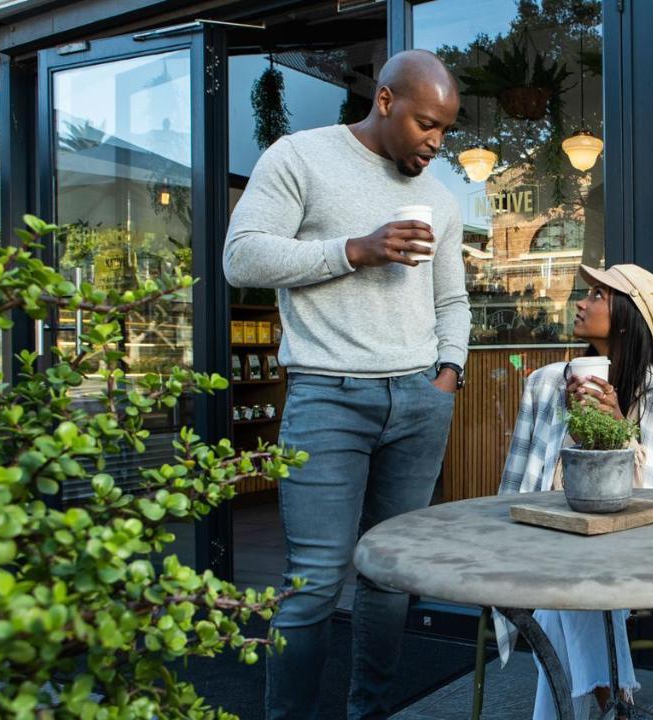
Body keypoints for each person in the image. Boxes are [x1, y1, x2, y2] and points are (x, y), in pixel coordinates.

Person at [223, 50, 470, 720]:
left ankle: (372, 711)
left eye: (446, 130)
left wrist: (448, 373)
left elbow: (452, 300)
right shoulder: (300, 157)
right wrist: (354, 250)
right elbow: (241, 256)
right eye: (426, 123)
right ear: (385, 101)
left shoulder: (441, 197)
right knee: (313, 582)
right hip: (327, 396)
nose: (435, 141)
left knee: (389, 575)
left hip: (419, 400)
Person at [497, 264, 653, 720]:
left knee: (573, 593)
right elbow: (518, 483)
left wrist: (617, 430)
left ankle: (601, 706)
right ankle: (613, 704)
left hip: (640, 561)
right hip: (547, 547)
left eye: (597, 294)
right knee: (574, 581)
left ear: (626, 315)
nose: (580, 302)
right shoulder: (545, 385)